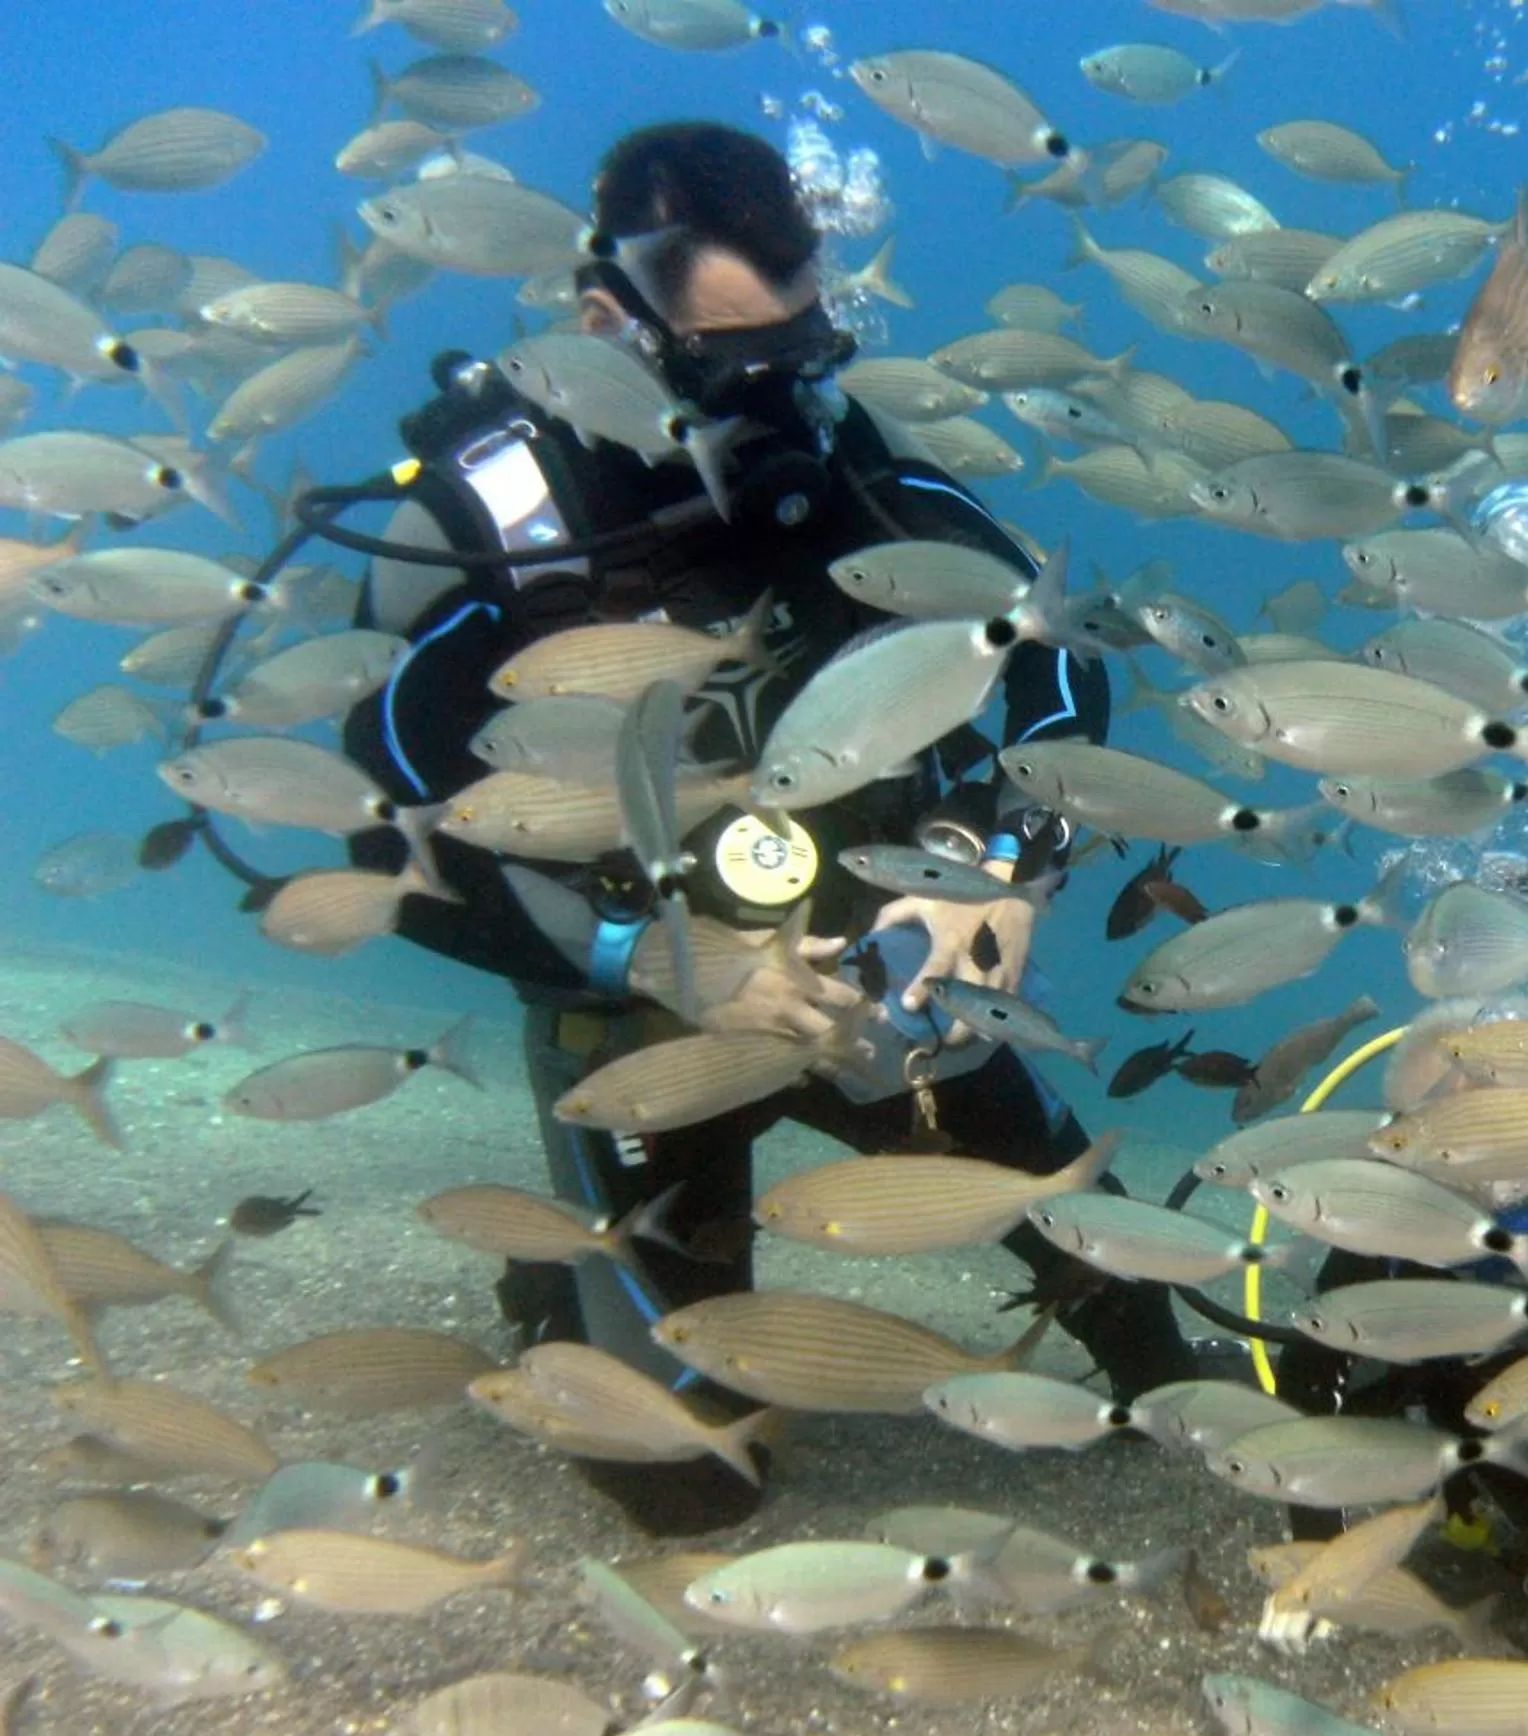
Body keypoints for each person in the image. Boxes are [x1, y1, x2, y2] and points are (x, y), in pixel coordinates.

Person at [337, 122, 1192, 1531]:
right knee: (688, 1495)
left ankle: (1110, 1341)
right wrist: (645, 957)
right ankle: (565, 1274)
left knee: (1136, 1332)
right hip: (635, 1010)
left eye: (800, 361)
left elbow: (1049, 645)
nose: (772, 417)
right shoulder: (503, 510)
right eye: (731, 373)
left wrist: (999, 857)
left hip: (869, 963)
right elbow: (389, 830)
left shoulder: (840, 464)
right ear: (606, 317)